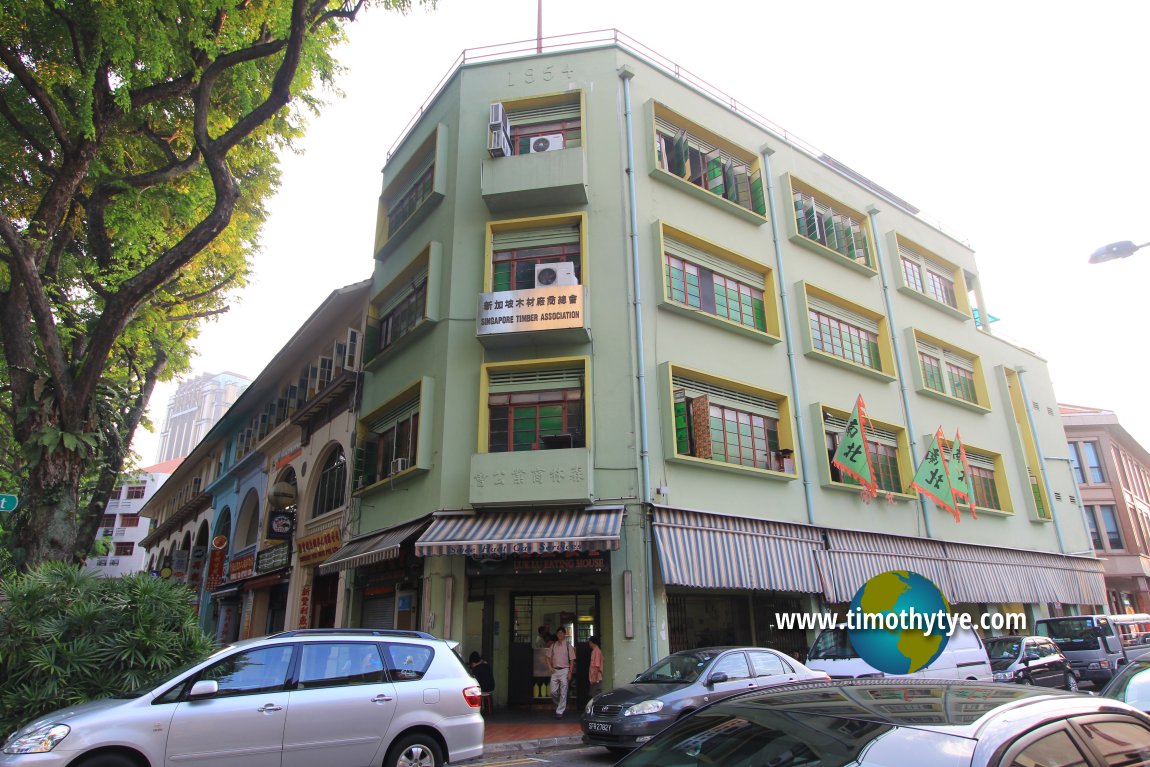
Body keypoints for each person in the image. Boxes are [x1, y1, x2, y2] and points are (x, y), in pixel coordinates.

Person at [546, 627, 576, 718]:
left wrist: (570, 672)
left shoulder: (568, 645)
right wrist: (549, 667)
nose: (560, 634)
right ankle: (560, 704)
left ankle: (560, 712)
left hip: (565, 670)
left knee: (563, 691)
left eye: (561, 633)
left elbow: (572, 660)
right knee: (553, 692)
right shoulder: (553, 645)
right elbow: (547, 657)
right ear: (556, 634)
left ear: (564, 634)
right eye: (558, 633)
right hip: (555, 671)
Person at [588, 635, 604, 699]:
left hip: (596, 677)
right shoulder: (595, 651)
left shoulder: (596, 651)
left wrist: (594, 678)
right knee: (595, 694)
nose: (589, 644)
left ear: (591, 642)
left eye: (589, 642)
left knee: (595, 695)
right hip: (595, 677)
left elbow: (597, 666)